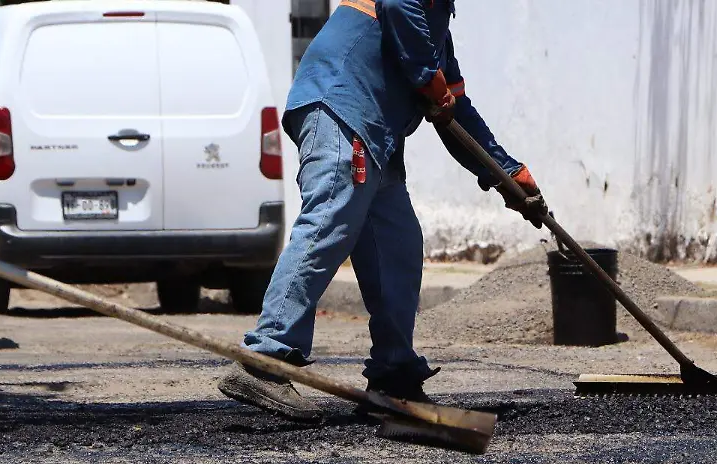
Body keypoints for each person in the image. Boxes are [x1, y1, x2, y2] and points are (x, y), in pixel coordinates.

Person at [218, 0, 540, 421]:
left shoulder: (437, 31)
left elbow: (454, 113)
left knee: (399, 244)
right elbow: (398, 7)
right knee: (330, 220)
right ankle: (265, 357)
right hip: (342, 110)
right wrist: (428, 80)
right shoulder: (415, 8)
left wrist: (507, 174)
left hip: (376, 136)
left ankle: (394, 374)